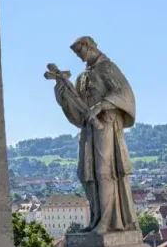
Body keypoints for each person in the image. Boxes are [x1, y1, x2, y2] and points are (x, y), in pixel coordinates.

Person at [47, 36, 138, 234]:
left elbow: (125, 94)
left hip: (105, 125)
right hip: (89, 129)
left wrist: (101, 106)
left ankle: (107, 222)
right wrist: (62, 89)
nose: (80, 58)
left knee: (104, 171)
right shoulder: (82, 77)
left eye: (81, 53)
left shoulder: (108, 68)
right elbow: (78, 110)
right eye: (77, 55)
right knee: (86, 173)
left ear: (90, 47)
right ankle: (97, 218)